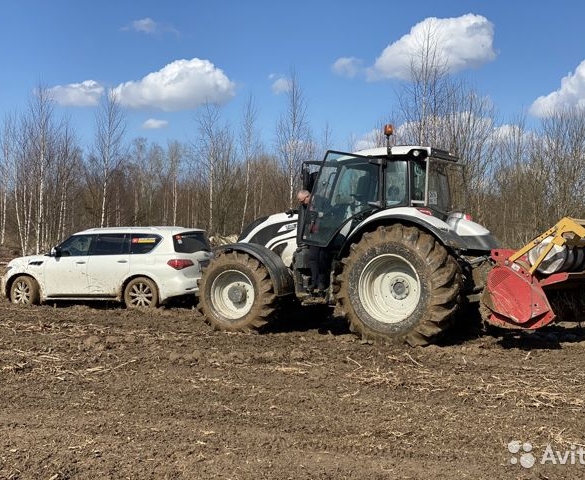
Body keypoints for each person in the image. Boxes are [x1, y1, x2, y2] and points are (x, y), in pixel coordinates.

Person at [297, 189, 329, 294]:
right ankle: (314, 282)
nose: (302, 204)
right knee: (312, 258)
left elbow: (329, 213)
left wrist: (321, 215)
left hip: (324, 233)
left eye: (302, 201)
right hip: (313, 234)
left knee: (321, 258)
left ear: (308, 196)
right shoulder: (305, 206)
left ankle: (322, 282)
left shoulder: (322, 201)